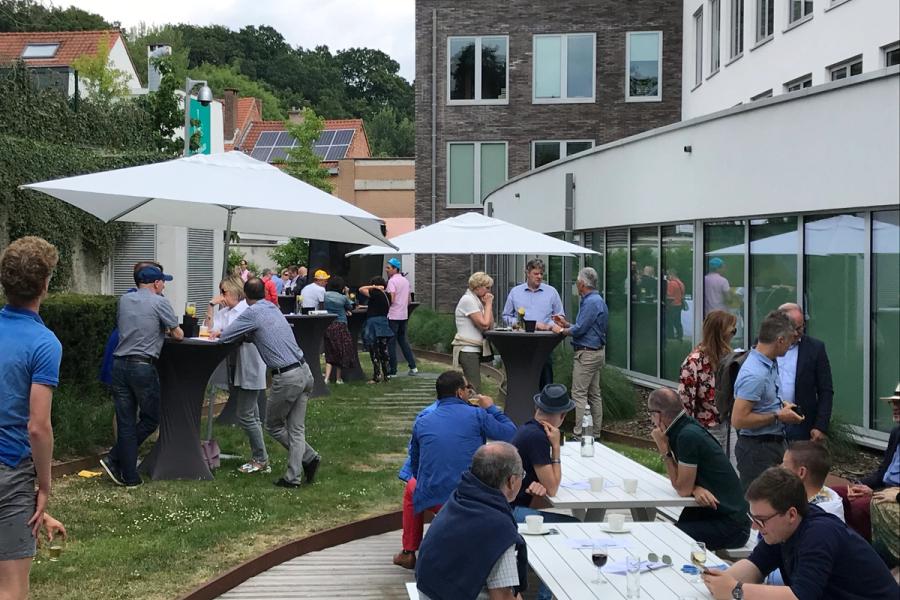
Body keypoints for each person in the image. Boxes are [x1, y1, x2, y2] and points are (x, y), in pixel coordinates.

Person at [702, 467, 899, 600]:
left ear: (791, 514)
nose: (755, 526)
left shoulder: (819, 534)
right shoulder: (783, 530)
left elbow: (801, 596)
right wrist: (716, 581)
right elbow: (755, 565)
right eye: (752, 518)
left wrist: (736, 591)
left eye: (760, 520)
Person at [392, 371, 517, 570]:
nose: (469, 392)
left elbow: (415, 463)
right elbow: (510, 433)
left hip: (434, 497)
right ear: (459, 392)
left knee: (411, 488)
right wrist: (491, 408)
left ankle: (409, 551)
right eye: (468, 388)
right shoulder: (477, 415)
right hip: (470, 496)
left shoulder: (423, 420)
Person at [0, 236, 63, 600]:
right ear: (44, 285)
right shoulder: (44, 343)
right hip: (10, 468)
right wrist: (44, 487)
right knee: (11, 588)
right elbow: (38, 427)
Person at [213, 278, 321, 488]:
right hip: (304, 370)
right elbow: (263, 334)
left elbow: (225, 337)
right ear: (264, 292)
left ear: (245, 294)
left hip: (287, 377)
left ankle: (307, 458)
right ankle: (294, 476)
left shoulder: (251, 313)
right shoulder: (272, 308)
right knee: (296, 429)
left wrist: (224, 333)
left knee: (273, 426)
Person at [100, 265, 184, 487]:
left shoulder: (124, 300)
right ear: (156, 283)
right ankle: (114, 457)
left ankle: (130, 476)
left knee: (126, 421)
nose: (164, 285)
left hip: (119, 365)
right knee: (150, 419)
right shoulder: (160, 302)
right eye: (163, 282)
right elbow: (177, 334)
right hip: (142, 366)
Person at [416, 442, 527, 600]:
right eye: (522, 474)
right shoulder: (499, 528)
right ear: (512, 481)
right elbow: (502, 597)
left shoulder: (460, 498)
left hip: (429, 590)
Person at [648, 388, 751, 550]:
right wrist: (695, 488)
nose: (652, 420)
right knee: (663, 534)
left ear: (657, 415)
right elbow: (685, 484)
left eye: (651, 415)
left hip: (732, 525)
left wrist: (664, 450)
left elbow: (682, 489)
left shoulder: (686, 436)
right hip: (712, 512)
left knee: (666, 539)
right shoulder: (684, 427)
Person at [509, 384, 579, 600]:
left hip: (513, 506)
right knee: (574, 529)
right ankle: (545, 596)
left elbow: (544, 489)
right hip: (512, 512)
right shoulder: (537, 437)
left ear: (537, 408)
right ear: (562, 415)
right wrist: (556, 448)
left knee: (563, 525)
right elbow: (553, 487)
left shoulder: (528, 429)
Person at [731, 310, 804, 490]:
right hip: (757, 450)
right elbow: (738, 420)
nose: (791, 344)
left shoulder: (769, 362)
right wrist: (778, 415)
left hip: (773, 443)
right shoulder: (755, 374)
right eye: (790, 340)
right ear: (780, 340)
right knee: (760, 500)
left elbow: (762, 401)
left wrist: (781, 406)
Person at [206, 277, 269, 474]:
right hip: (235, 366)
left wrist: (221, 332)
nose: (222, 297)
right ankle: (260, 456)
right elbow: (209, 330)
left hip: (250, 365)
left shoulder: (246, 311)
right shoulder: (225, 312)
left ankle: (260, 458)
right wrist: (210, 307)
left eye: (224, 292)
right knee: (251, 414)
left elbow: (231, 333)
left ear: (235, 292)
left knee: (246, 414)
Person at [836, 385, 900, 562]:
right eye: (894, 403)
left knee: (856, 508)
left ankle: (865, 557)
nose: (895, 407)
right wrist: (858, 484)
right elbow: (882, 473)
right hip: (883, 489)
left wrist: (880, 493)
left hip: (892, 496)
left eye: (899, 404)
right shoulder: (896, 432)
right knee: (836, 493)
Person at [551, 267, 608, 437]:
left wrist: (561, 330)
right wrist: (567, 324)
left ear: (582, 283)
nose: (576, 284)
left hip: (587, 354)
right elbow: (586, 327)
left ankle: (581, 433)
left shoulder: (591, 302)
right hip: (595, 352)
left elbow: (580, 330)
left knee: (579, 394)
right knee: (594, 394)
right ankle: (595, 433)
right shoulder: (597, 300)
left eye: (577, 281)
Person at [678, 310, 737, 449]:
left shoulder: (729, 358)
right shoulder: (694, 362)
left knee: (734, 463)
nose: (733, 335)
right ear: (720, 333)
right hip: (706, 429)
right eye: (732, 331)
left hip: (729, 425)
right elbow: (686, 401)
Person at [502, 258, 564, 388]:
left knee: (546, 382)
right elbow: (506, 316)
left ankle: (545, 400)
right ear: (527, 273)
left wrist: (550, 326)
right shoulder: (515, 292)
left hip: (544, 344)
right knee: (523, 381)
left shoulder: (551, 292)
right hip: (521, 342)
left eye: (541, 273)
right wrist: (523, 324)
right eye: (536, 273)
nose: (539, 276)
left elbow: (560, 317)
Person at [776, 303, 834, 442]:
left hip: (800, 423)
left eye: (800, 327)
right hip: (770, 421)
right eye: (793, 328)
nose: (797, 333)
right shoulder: (766, 344)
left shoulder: (815, 348)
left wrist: (820, 426)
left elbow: (825, 390)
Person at [452, 272, 494, 392]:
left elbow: (490, 325)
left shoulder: (477, 301)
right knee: (474, 388)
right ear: (477, 287)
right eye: (487, 288)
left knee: (472, 387)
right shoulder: (468, 300)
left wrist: (487, 306)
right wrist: (489, 304)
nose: (489, 291)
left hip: (474, 349)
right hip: (468, 350)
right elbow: (484, 324)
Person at [358, 276, 394, 383]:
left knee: (374, 350)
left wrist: (374, 287)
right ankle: (387, 375)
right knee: (384, 350)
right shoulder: (387, 295)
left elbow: (361, 289)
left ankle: (377, 376)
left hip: (373, 323)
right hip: (384, 322)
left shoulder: (375, 293)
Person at [385, 257, 417, 377]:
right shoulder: (405, 281)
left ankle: (393, 370)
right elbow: (409, 300)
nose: (386, 270)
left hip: (393, 315)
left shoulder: (392, 281)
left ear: (395, 269)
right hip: (403, 315)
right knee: (403, 341)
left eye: (388, 268)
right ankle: (413, 366)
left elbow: (391, 299)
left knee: (391, 343)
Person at [322, 276, 356, 385]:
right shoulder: (342, 298)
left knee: (329, 350)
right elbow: (351, 306)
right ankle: (338, 378)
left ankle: (326, 378)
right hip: (341, 325)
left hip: (328, 324)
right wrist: (346, 293)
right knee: (340, 351)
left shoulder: (326, 295)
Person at [665, 267, 686, 340]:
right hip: (679, 304)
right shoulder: (681, 283)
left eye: (668, 275)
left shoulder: (671, 283)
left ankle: (671, 336)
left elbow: (669, 295)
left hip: (672, 305)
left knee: (670, 322)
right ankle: (680, 335)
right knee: (677, 321)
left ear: (671, 274)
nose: (667, 276)